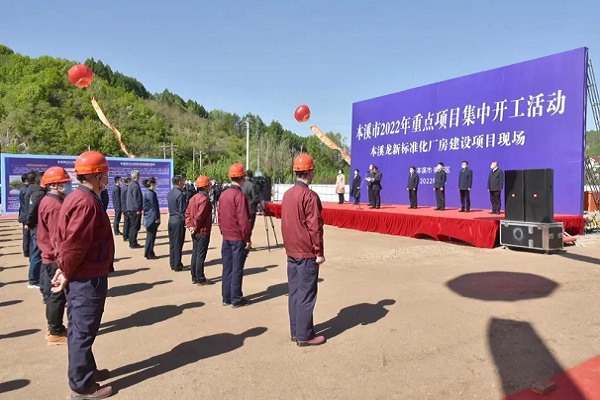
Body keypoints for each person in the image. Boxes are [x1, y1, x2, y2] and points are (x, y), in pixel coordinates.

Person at [51, 150, 114, 399]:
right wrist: (65, 270)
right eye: (105, 173)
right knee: (82, 330)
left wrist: (64, 268)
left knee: (82, 327)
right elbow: (74, 243)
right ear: (97, 176)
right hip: (86, 277)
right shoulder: (86, 202)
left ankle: (87, 370)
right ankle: (82, 386)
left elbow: (64, 239)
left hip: (85, 273)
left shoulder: (78, 198)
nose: (108, 176)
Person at [281, 153, 326, 347]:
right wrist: (319, 252)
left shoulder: (287, 194)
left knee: (295, 292)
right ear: (310, 172)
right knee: (307, 294)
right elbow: (315, 227)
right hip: (306, 252)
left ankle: (295, 331)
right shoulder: (310, 196)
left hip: (292, 251)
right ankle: (305, 335)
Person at [37, 166, 72, 346]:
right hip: (54, 257)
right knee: (58, 295)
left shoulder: (48, 201)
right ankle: (55, 331)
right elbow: (57, 236)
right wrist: (63, 260)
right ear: (55, 185)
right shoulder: (54, 205)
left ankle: (55, 327)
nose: (68, 185)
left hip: (49, 255)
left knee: (55, 294)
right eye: (65, 183)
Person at [218, 163, 252, 308]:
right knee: (237, 268)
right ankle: (236, 298)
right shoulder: (240, 196)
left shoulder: (223, 194)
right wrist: (247, 238)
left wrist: (223, 232)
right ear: (242, 177)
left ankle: (226, 297)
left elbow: (219, 216)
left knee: (227, 268)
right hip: (238, 238)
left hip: (226, 236)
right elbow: (244, 220)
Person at [185, 176, 213, 285]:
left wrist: (190, 225)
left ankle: (194, 276)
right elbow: (199, 216)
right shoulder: (204, 199)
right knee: (200, 254)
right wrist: (194, 226)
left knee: (195, 253)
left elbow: (187, 213)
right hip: (202, 230)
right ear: (205, 187)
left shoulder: (193, 198)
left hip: (195, 230)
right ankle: (200, 277)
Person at [25, 171, 46, 289]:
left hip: (35, 226)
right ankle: (34, 280)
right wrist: (29, 223)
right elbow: (32, 211)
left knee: (36, 252)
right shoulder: (38, 193)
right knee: (37, 253)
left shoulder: (33, 189)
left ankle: (34, 278)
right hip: (37, 226)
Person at [167, 176, 187, 271]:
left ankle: (172, 262)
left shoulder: (170, 193)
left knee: (172, 243)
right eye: (183, 181)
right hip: (178, 221)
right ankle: (177, 264)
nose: (184, 183)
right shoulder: (180, 194)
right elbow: (182, 210)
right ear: (179, 182)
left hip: (171, 220)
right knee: (178, 243)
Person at [142, 177, 160, 260]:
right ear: (152, 184)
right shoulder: (151, 193)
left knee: (150, 236)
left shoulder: (146, 193)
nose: (156, 185)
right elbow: (154, 207)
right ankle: (149, 253)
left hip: (148, 217)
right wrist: (157, 217)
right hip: (151, 217)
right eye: (155, 183)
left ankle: (150, 252)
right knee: (151, 236)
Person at [126, 170, 143, 248]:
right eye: (139, 175)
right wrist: (138, 209)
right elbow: (137, 198)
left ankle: (133, 241)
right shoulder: (135, 185)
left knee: (133, 226)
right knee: (134, 226)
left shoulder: (131, 184)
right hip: (134, 209)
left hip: (130, 208)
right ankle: (133, 242)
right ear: (137, 176)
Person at [18, 172, 31, 258]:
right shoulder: (27, 190)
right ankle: (26, 251)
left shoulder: (22, 189)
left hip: (23, 214)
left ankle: (26, 250)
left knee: (26, 234)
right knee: (27, 234)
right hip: (27, 215)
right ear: (26, 180)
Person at [121, 176, 131, 242]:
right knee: (127, 223)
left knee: (127, 222)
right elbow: (126, 200)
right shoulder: (126, 189)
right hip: (126, 208)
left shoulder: (123, 188)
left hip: (125, 208)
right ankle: (126, 236)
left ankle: (126, 235)